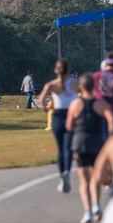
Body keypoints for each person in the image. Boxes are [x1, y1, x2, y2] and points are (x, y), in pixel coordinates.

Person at [67, 73, 113, 223]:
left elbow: (69, 126)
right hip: (97, 142)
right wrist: (110, 136)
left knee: (84, 181)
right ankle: (97, 205)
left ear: (81, 87)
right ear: (94, 87)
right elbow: (112, 119)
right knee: (96, 177)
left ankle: (87, 212)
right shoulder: (100, 104)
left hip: (80, 142)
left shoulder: (75, 104)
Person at [37, 59, 79, 193]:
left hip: (57, 117)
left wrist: (45, 109)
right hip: (71, 117)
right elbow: (85, 95)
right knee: (68, 148)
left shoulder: (51, 84)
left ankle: (62, 176)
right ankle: (67, 171)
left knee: (60, 149)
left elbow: (41, 98)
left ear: (56, 70)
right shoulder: (74, 83)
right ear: (68, 71)